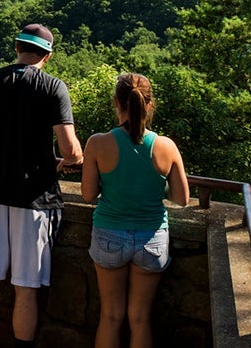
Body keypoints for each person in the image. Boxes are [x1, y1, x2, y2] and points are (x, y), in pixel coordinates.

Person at [0, 23, 83, 348]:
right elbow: (69, 150)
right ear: (48, 56)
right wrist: (73, 157)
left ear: (16, 48)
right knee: (26, 287)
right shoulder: (54, 88)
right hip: (34, 200)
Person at [82, 73, 190, 348]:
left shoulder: (97, 143)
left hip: (109, 233)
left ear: (116, 103)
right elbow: (182, 199)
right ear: (149, 105)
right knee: (140, 319)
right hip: (152, 238)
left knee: (110, 316)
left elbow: (87, 194)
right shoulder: (166, 146)